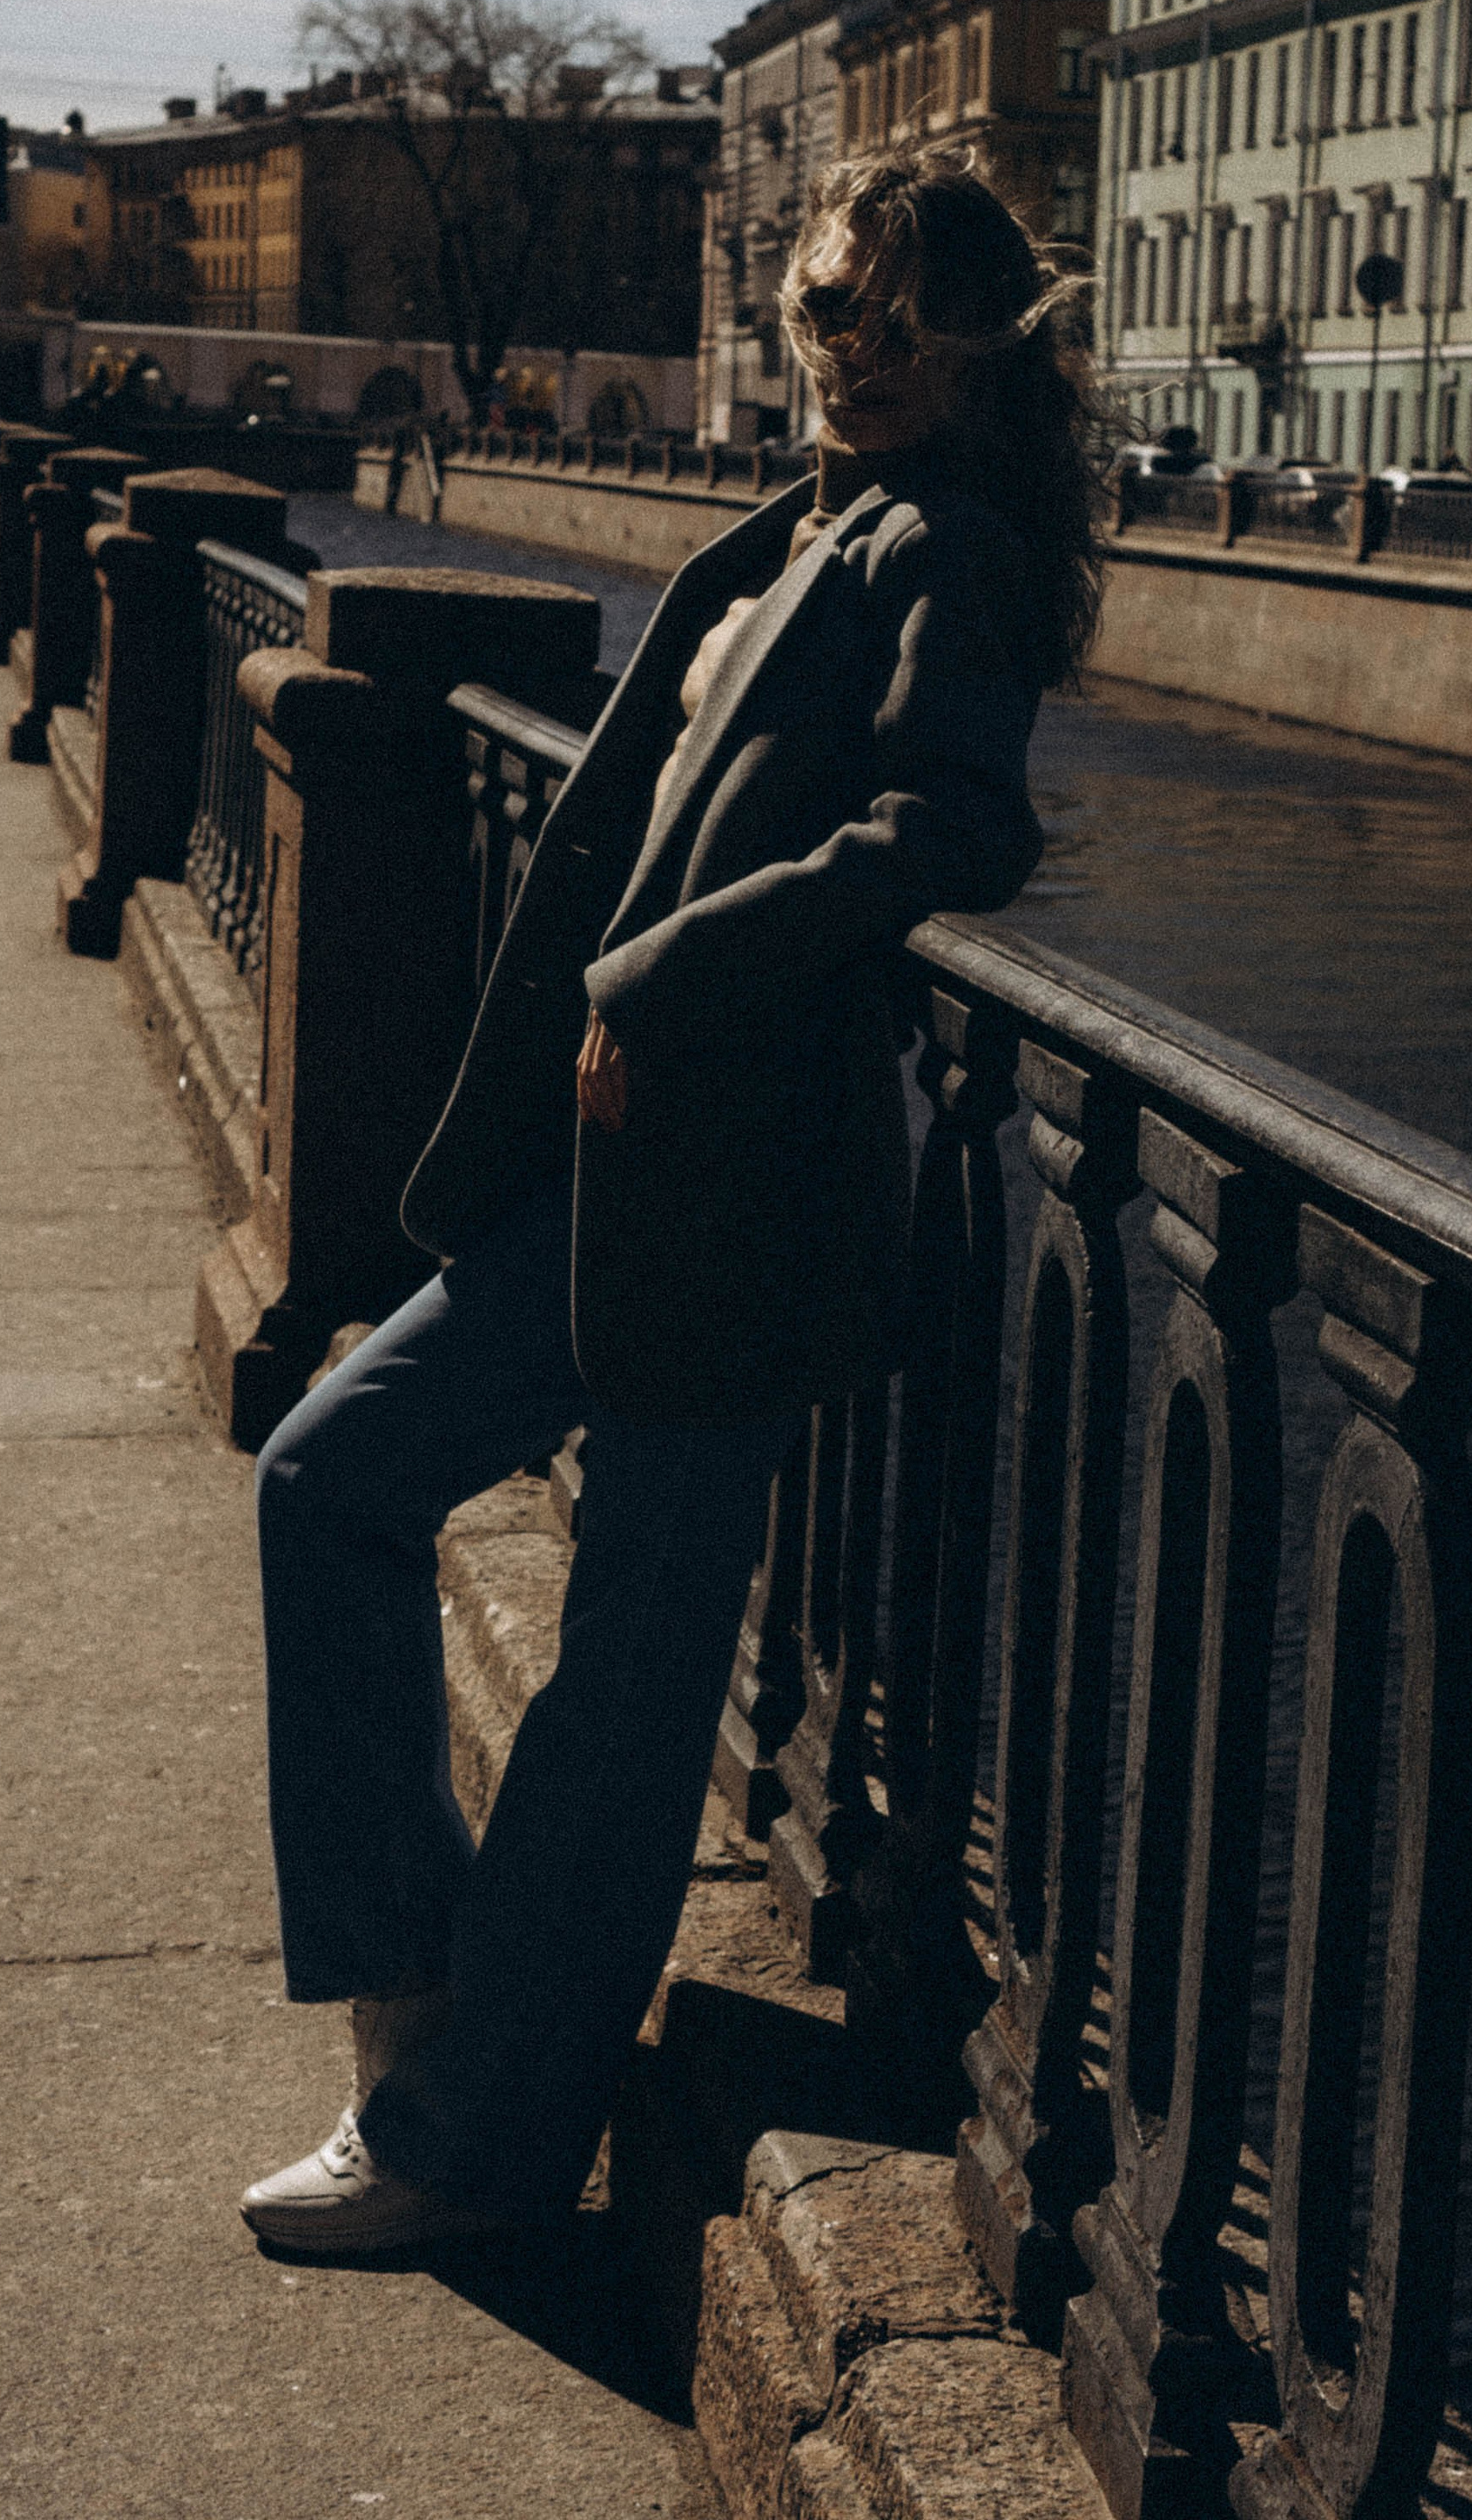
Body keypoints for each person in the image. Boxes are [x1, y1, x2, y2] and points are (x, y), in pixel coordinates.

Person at [240, 146, 1106, 2255]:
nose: (857, 352)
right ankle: (419, 2008)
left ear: (981, 346)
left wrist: (655, 975)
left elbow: (954, 825)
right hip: (630, 1167)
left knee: (628, 1677)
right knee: (332, 1476)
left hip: (746, 1179)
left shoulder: (949, 545)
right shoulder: (808, 523)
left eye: (905, 322)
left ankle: (477, 2144)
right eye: (828, 311)